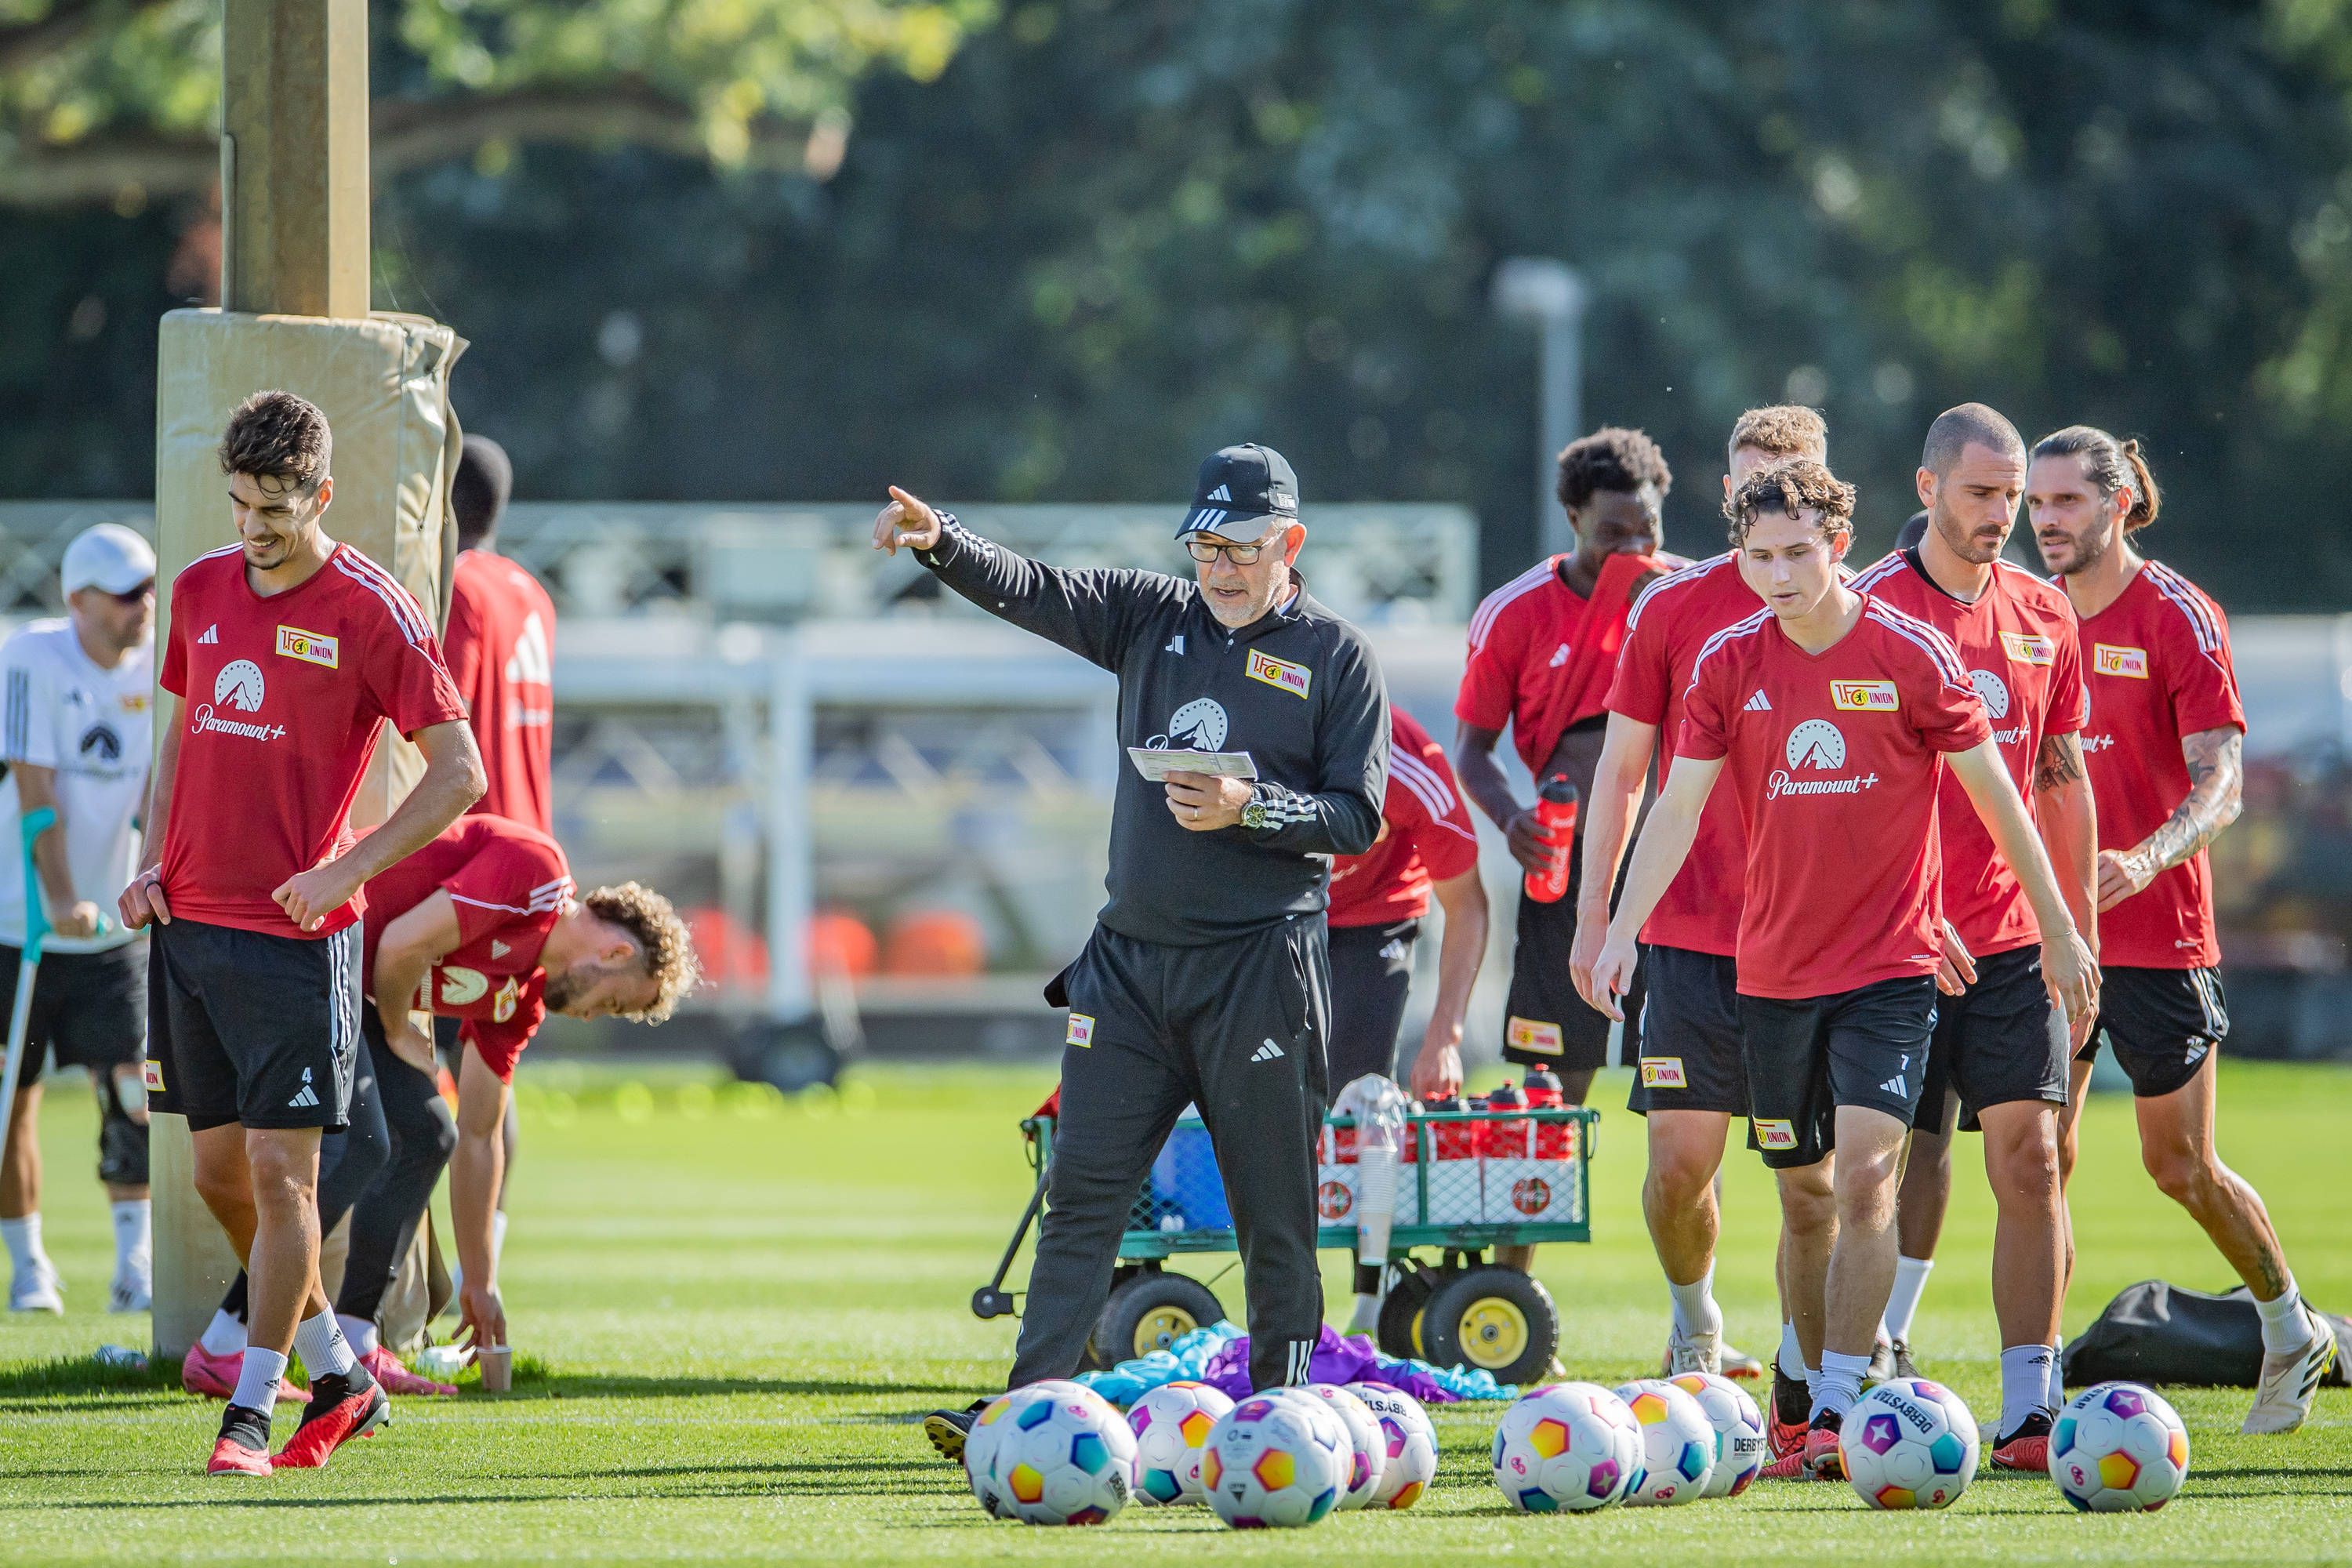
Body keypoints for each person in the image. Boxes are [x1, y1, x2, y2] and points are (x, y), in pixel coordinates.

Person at [1588, 458, 2096, 1482]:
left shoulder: (1910, 655)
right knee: (1807, 1197)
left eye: (1797, 553)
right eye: (1760, 555)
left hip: (1889, 973)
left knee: (1869, 1179)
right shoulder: (1728, 662)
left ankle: (1833, 1409)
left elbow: (2000, 796)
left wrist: (2060, 926)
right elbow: (1677, 809)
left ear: (1838, 545)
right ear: (1741, 554)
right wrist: (1615, 930)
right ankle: (1802, 1391)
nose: (1778, 575)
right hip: (1769, 980)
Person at [880, 445, 1387, 1457]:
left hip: (1260, 969)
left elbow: (1360, 816)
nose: (1220, 567)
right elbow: (1035, 589)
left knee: (1273, 1210)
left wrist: (1254, 809)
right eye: (1205, 546)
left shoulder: (1336, 655)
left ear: (1289, 543)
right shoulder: (1152, 618)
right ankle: (1032, 1414)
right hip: (1130, 966)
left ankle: (1280, 1417)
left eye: (1241, 548)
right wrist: (943, 544)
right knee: (1082, 1198)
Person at [126, 390, 485, 1477]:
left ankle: (249, 1413)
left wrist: (345, 868)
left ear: (322, 494)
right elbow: (177, 739)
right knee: (223, 1183)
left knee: (287, 1182)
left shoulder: (372, 607)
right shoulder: (195, 591)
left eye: (275, 509)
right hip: (187, 931)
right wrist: (150, 858)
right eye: (238, 505)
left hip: (295, 944)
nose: (252, 529)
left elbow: (460, 773)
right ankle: (338, 1370)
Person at [2031, 424, 2336, 1435]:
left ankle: (2291, 1327)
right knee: (2040, 1155)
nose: (2046, 523)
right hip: (2051, 939)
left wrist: (2147, 857)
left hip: (2161, 938)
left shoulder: (2178, 613)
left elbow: (2226, 785)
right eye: (2036, 504)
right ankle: (2033, 1391)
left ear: (2118, 503)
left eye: (2066, 502)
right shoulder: (2026, 615)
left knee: (2180, 1166)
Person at [190, 817, 697, 1396]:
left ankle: (356, 1336)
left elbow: (480, 1133)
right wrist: (399, 1027)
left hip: (359, 984)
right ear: (615, 950)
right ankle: (228, 1340)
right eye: (611, 1003)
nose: (591, 1016)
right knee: (364, 1145)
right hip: (311, 948)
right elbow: (405, 942)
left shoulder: (523, 999)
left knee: (429, 1135)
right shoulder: (539, 871)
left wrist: (479, 1282)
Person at [1849, 405, 2099, 1470]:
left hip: (2008, 943)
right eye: (1983, 494)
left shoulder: (2048, 612)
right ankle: (1844, 1379)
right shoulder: (1861, 611)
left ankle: (2030, 1409)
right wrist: (1910, 907)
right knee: (1881, 1169)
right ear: (1928, 488)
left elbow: (2060, 781)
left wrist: (2071, 932)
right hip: (1891, 943)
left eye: (2014, 497)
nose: (2004, 515)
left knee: (2031, 1159)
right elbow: (1840, 796)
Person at [1569, 406, 1828, 1396]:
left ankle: (1815, 1369)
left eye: (1791, 477)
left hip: (1818, 943)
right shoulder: (1671, 609)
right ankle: (1696, 1322)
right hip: (1685, 934)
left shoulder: (1863, 615)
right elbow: (1622, 772)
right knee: (1680, 1168)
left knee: (1812, 1185)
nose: (1768, 493)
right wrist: (1600, 920)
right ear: (1725, 493)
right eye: (1751, 479)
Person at [1454, 426, 1678, 1275]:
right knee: (1552, 1090)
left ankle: (1692, 1328)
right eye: (1614, 531)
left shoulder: (1681, 594)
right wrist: (1513, 817)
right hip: (1560, 869)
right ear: (1574, 517)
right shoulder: (1515, 611)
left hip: (1667, 872)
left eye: (1647, 529)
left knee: (1683, 1106)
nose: (1634, 548)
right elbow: (1473, 747)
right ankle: (1503, 1291)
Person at [0, 524, 158, 1316]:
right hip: (16, 920)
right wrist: (59, 896)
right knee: (13, 1093)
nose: (144, 605)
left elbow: (161, 789)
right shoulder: (30, 656)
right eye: (128, 593)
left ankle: (135, 1263)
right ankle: (30, 1267)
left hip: (113, 927)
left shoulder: (165, 664)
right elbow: (36, 788)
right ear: (80, 600)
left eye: (148, 588)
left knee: (134, 1089)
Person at [1322, 705, 1483, 1336]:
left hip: (1374, 918)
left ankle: (1370, 1295)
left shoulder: (1414, 773)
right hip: (1274, 910)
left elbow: (1467, 907)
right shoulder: (1261, 738)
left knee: (1363, 1096)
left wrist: (1445, 1035)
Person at [434, 434, 551, 1295]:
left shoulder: (460, 590)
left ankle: (432, 1296)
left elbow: (439, 718)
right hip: (533, 858)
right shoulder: (529, 590)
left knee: (420, 1088)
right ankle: (487, 1276)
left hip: (469, 865)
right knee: (489, 1086)